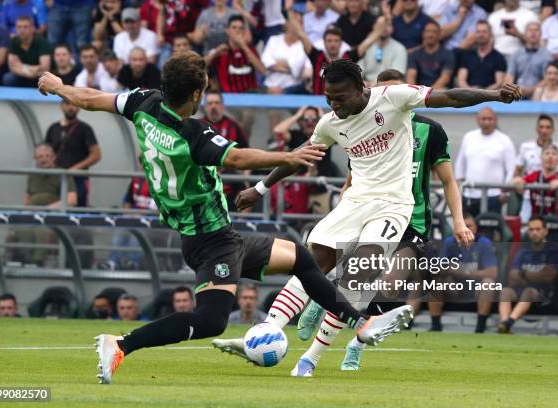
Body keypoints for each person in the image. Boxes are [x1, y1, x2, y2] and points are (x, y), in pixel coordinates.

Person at [38, 51, 409, 385]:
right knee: (212, 320)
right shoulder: (192, 134)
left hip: (215, 236)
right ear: (197, 94)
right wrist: (287, 157)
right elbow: (236, 158)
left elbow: (88, 98)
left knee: (301, 258)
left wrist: (57, 85)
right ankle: (120, 344)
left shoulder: (143, 103)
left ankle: (361, 323)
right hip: (209, 240)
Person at [213, 60, 521, 377]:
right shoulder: (330, 123)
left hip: (393, 205)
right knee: (310, 262)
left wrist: (495, 94)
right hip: (356, 201)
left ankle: (310, 359)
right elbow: (298, 157)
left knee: (358, 274)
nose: (334, 104)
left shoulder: (393, 98)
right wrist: (261, 188)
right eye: (328, 98)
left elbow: (452, 97)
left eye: (340, 97)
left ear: (361, 89)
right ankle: (266, 331)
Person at [296, 69, 476, 372]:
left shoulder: (431, 130)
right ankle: (326, 305)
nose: (387, 100)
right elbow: (354, 177)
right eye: (382, 93)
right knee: (355, 280)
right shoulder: (363, 123)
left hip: (411, 220)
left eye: (394, 92)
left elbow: (448, 180)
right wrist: (345, 208)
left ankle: (354, 341)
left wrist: (459, 221)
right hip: (370, 212)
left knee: (388, 287)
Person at [428, 211, 498, 333]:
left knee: (488, 283)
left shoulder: (484, 243)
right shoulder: (449, 242)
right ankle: (435, 326)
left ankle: (480, 328)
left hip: (476, 287)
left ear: (475, 228)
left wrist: (465, 272)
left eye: (469, 226)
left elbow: (493, 273)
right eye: (463, 226)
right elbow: (438, 269)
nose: (465, 230)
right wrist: (449, 269)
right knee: (435, 282)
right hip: (454, 287)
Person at [498, 216, 558, 334]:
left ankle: (509, 323)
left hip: (544, 297)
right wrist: (536, 275)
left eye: (538, 229)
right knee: (505, 291)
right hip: (520, 293)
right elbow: (512, 277)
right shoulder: (523, 251)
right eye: (531, 230)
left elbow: (548, 277)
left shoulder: (553, 252)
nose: (534, 233)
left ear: (545, 231)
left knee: (529, 291)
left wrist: (524, 274)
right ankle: (504, 323)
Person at [455, 107, 516, 215]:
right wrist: (459, 188)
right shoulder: (469, 137)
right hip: (469, 194)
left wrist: (505, 193)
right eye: (483, 119)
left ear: (495, 120)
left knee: (490, 230)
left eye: (490, 119)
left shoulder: (504, 140)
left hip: (494, 196)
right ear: (477, 120)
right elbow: (460, 164)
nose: (486, 122)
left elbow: (512, 169)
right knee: (468, 230)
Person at [44, 101, 101, 207]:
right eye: (67, 104)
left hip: (77, 178)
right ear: (61, 106)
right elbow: (46, 151)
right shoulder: (53, 128)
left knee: (78, 208)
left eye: (74, 104)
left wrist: (74, 169)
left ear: (79, 108)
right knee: (55, 207)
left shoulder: (85, 129)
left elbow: (96, 155)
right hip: (56, 177)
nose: (71, 107)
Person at [513, 144, 558, 222]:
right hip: (537, 225)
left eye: (554, 154)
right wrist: (517, 180)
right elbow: (505, 188)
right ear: (541, 159)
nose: (550, 157)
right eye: (547, 153)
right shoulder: (534, 176)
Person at [205, 14, 265, 93]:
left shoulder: (250, 49)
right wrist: (215, 53)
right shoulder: (221, 49)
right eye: (234, 27)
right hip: (228, 99)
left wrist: (244, 46)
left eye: (241, 28)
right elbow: (200, 65)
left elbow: (263, 71)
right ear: (227, 31)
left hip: (250, 98)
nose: (237, 30)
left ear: (244, 31)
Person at [261, 17, 311, 94]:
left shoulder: (305, 45)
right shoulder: (273, 40)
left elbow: (297, 67)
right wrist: (288, 67)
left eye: (300, 23)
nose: (297, 26)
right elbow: (265, 62)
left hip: (292, 88)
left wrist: (274, 66)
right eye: (294, 22)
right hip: (269, 85)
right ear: (286, 24)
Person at [505, 21, 553, 99]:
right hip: (516, 94)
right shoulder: (516, 54)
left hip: (539, 94)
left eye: (536, 30)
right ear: (525, 34)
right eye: (530, 30)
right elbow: (509, 77)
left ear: (541, 34)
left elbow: (547, 79)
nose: (533, 33)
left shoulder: (547, 56)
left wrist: (529, 90)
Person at [24, 142, 77, 208]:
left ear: (54, 157)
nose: (44, 159)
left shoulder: (63, 174)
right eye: (40, 156)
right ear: (35, 159)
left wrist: (48, 209)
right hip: (32, 213)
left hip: (53, 215)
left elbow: (71, 200)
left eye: (47, 156)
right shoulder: (32, 174)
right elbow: (27, 198)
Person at [456, 20, 507, 89]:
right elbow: (461, 80)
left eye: (484, 32)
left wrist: (482, 93)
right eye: (478, 32)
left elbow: (499, 83)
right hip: (468, 96)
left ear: (490, 34)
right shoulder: (467, 55)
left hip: (490, 97)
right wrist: (470, 92)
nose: (481, 35)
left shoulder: (499, 57)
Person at [3, 16, 51, 87]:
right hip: (22, 74)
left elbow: (45, 68)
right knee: (8, 78)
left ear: (32, 29)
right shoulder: (14, 41)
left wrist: (23, 67)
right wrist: (27, 72)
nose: (22, 30)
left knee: (46, 79)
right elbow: (12, 66)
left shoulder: (42, 42)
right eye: (19, 27)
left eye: (25, 27)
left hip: (38, 76)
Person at [358, 16, 408, 85]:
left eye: (388, 25)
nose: (384, 27)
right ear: (374, 26)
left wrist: (374, 85)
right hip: (365, 86)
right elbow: (358, 71)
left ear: (393, 28)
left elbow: (396, 77)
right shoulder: (366, 46)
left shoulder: (400, 49)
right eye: (381, 25)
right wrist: (362, 83)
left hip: (388, 87)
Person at [407, 20, 455, 89]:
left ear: (439, 35)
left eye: (434, 32)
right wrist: (415, 93)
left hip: (440, 91)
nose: (430, 35)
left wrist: (429, 94)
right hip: (419, 91)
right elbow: (411, 76)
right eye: (428, 31)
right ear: (423, 34)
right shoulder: (414, 54)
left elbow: (445, 78)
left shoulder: (448, 54)